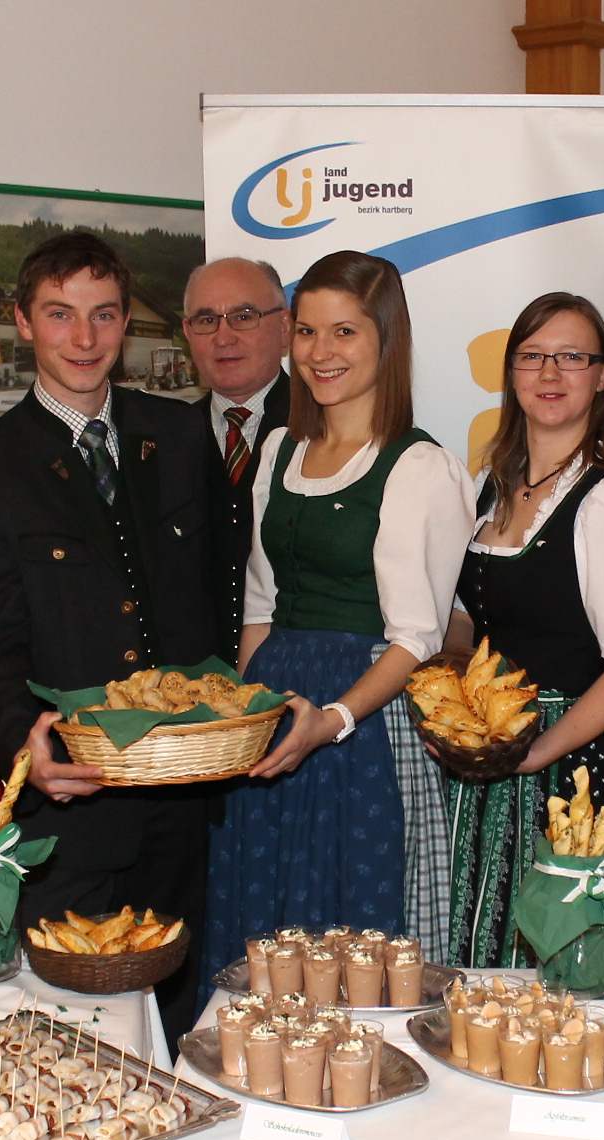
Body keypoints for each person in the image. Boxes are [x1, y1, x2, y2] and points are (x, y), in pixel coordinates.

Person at [0, 232, 232, 1026]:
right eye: (60, 315)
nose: (85, 337)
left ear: (127, 321)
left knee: (176, 1014)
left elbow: (218, 596)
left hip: (181, 792)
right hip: (71, 797)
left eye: (104, 315)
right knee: (73, 1024)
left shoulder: (177, 436)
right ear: (23, 321)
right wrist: (17, 743)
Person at [206, 250, 476, 971]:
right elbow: (259, 605)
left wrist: (333, 720)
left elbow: (416, 638)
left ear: (387, 340)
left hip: (363, 728)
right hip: (275, 711)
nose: (320, 353)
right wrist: (238, 713)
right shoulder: (278, 450)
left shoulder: (419, 466)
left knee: (349, 935)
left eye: (345, 333)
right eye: (307, 332)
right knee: (262, 923)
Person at [444, 292, 604, 969]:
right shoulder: (493, 483)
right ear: (510, 374)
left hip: (571, 767)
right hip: (487, 748)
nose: (550, 373)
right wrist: (448, 690)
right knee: (476, 946)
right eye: (533, 356)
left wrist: (537, 753)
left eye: (572, 357)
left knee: (556, 968)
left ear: (602, 376)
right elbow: (467, 616)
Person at [182, 257, 291, 597]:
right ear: (187, 333)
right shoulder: (165, 440)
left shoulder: (329, 431)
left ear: (285, 328)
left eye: (244, 317)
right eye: (206, 320)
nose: (223, 337)